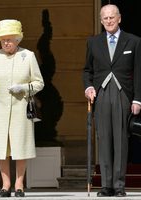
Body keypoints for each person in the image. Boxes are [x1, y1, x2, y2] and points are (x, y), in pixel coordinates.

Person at [83, 4, 141, 197]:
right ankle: (106, 186)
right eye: (105, 18)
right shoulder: (93, 42)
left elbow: (139, 74)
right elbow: (87, 71)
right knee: (104, 139)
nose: (109, 21)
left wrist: (138, 100)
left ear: (119, 18)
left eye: (112, 17)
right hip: (101, 94)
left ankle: (119, 185)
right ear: (101, 20)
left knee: (121, 140)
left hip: (124, 95)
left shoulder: (133, 41)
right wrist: (89, 87)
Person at [0, 19, 44, 198]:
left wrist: (24, 88)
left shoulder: (28, 56)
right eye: (3, 39)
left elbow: (39, 83)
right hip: (0, 110)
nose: (6, 43)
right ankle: (5, 185)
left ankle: (19, 185)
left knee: (20, 148)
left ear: (18, 39)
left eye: (9, 39)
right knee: (2, 149)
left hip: (20, 109)